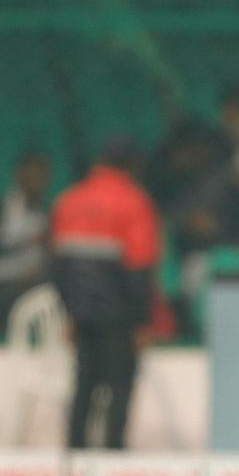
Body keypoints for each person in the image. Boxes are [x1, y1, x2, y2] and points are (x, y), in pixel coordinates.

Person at [51, 136, 161, 449]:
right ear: (131, 165)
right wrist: (142, 322)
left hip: (80, 310)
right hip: (119, 313)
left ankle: (74, 453)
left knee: (84, 383)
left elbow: (58, 266)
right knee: (120, 385)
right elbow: (139, 267)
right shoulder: (134, 202)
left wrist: (69, 311)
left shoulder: (70, 199)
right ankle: (113, 458)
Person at [0, 150, 53, 332]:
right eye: (32, 174)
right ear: (20, 174)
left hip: (38, 282)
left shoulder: (47, 214)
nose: (36, 180)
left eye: (41, 175)